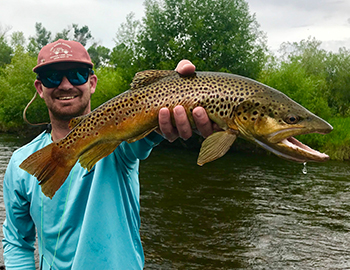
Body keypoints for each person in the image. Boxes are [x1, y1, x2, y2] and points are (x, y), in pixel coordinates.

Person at [2, 39, 214, 269]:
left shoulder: (121, 141)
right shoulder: (20, 163)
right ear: (40, 88)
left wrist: (179, 89)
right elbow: (16, 241)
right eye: (52, 76)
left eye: (77, 74)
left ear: (92, 83)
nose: (65, 85)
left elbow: (145, 131)